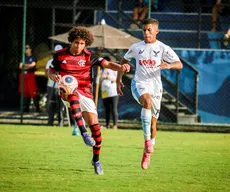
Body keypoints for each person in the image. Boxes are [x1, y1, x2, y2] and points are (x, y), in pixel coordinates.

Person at [48, 26, 130, 175]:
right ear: (71, 41)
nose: (78, 46)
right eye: (76, 42)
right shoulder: (60, 55)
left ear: (86, 44)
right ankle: (83, 132)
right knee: (72, 94)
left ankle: (96, 160)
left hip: (86, 93)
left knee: (97, 132)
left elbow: (107, 64)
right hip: (67, 90)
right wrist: (53, 76)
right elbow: (51, 70)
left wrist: (120, 67)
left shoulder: (89, 56)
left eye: (82, 43)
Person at [117, 18, 183, 170]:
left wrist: (169, 65)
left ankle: (147, 153)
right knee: (146, 100)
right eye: (144, 30)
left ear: (156, 31)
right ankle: (147, 141)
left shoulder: (162, 48)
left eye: (149, 30)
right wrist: (118, 80)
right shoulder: (136, 47)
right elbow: (123, 62)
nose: (146, 33)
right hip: (139, 84)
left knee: (153, 124)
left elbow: (179, 64)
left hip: (156, 88)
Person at [45, 44, 65, 127]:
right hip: (51, 85)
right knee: (50, 103)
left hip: (61, 86)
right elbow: (46, 72)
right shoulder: (50, 62)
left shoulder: (64, 61)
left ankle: (61, 122)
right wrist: (53, 75)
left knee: (60, 105)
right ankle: (50, 122)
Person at [19, 44, 41, 113]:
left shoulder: (33, 57)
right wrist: (27, 66)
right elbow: (20, 66)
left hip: (30, 75)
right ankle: (26, 108)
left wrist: (24, 65)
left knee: (33, 91)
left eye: (27, 48)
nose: (26, 50)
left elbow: (32, 65)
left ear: (30, 49)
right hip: (23, 75)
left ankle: (37, 108)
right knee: (25, 92)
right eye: (25, 48)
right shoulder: (23, 57)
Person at [100, 56, 119, 129]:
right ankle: (107, 124)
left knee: (114, 108)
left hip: (113, 91)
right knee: (106, 109)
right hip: (105, 91)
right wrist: (102, 77)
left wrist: (109, 77)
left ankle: (115, 125)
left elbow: (117, 79)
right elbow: (98, 81)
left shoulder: (114, 70)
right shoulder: (101, 70)